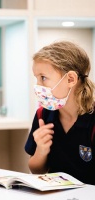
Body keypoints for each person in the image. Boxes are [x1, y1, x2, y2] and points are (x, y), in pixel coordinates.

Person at [25, 41, 95, 185]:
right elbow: (36, 170)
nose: (38, 85)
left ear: (70, 79)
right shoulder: (43, 115)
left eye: (43, 78)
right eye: (36, 78)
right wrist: (41, 151)